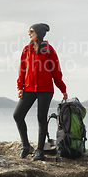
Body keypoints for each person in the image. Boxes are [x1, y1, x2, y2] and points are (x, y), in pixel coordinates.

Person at [13, 23, 68, 161]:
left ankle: (39, 151)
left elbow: (56, 71)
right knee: (18, 115)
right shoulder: (26, 50)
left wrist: (63, 89)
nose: (29, 33)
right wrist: (20, 87)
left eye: (31, 31)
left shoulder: (49, 50)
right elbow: (22, 69)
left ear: (38, 33)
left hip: (45, 89)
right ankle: (26, 146)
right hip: (29, 89)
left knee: (41, 119)